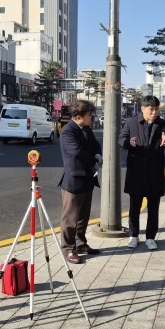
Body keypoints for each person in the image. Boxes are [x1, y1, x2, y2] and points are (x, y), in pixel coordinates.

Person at [119, 95, 165, 250]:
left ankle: (151, 237)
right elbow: (121, 140)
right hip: (136, 172)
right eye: (151, 109)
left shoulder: (162, 124)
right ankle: (133, 236)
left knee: (153, 207)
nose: (154, 112)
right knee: (134, 207)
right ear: (142, 108)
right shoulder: (131, 122)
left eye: (157, 109)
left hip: (155, 172)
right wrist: (128, 143)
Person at [59, 100, 102, 264]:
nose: (92, 117)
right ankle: (68, 248)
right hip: (74, 179)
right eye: (89, 114)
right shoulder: (68, 131)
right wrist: (93, 158)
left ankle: (81, 243)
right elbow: (77, 152)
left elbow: (95, 145)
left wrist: (97, 153)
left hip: (88, 178)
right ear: (79, 116)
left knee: (83, 215)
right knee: (70, 217)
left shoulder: (86, 129)